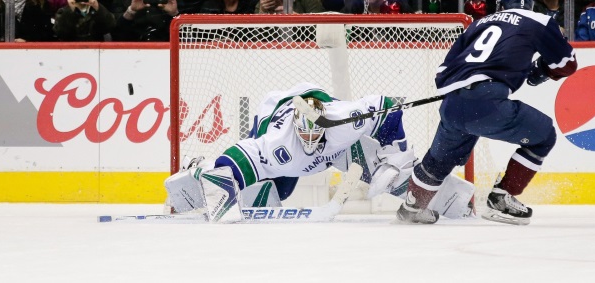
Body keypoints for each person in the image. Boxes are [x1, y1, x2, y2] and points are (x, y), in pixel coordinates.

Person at [396, 0, 577, 225]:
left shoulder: (479, 23)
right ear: (531, 5)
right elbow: (567, 64)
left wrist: (462, 93)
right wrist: (539, 70)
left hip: (453, 102)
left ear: (501, 6)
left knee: (440, 159)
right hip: (488, 100)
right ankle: (501, 199)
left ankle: (413, 205)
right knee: (544, 135)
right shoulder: (538, 20)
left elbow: (443, 70)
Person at [165, 82, 416, 213]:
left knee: (376, 166)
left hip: (321, 109)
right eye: (303, 134)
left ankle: (421, 189)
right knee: (276, 191)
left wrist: (394, 154)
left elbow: (390, 108)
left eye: (314, 134)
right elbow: (241, 155)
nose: (309, 141)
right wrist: (218, 176)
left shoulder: (343, 122)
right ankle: (199, 168)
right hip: (274, 110)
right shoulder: (278, 146)